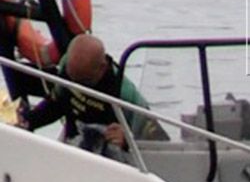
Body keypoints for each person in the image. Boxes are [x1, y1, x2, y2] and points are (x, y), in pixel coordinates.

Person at [19, 34, 158, 156]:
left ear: (102, 68)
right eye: (72, 79)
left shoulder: (124, 93)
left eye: (84, 82)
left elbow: (156, 140)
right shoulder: (67, 64)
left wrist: (128, 140)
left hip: (109, 158)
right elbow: (57, 103)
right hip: (73, 145)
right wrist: (28, 121)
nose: (77, 86)